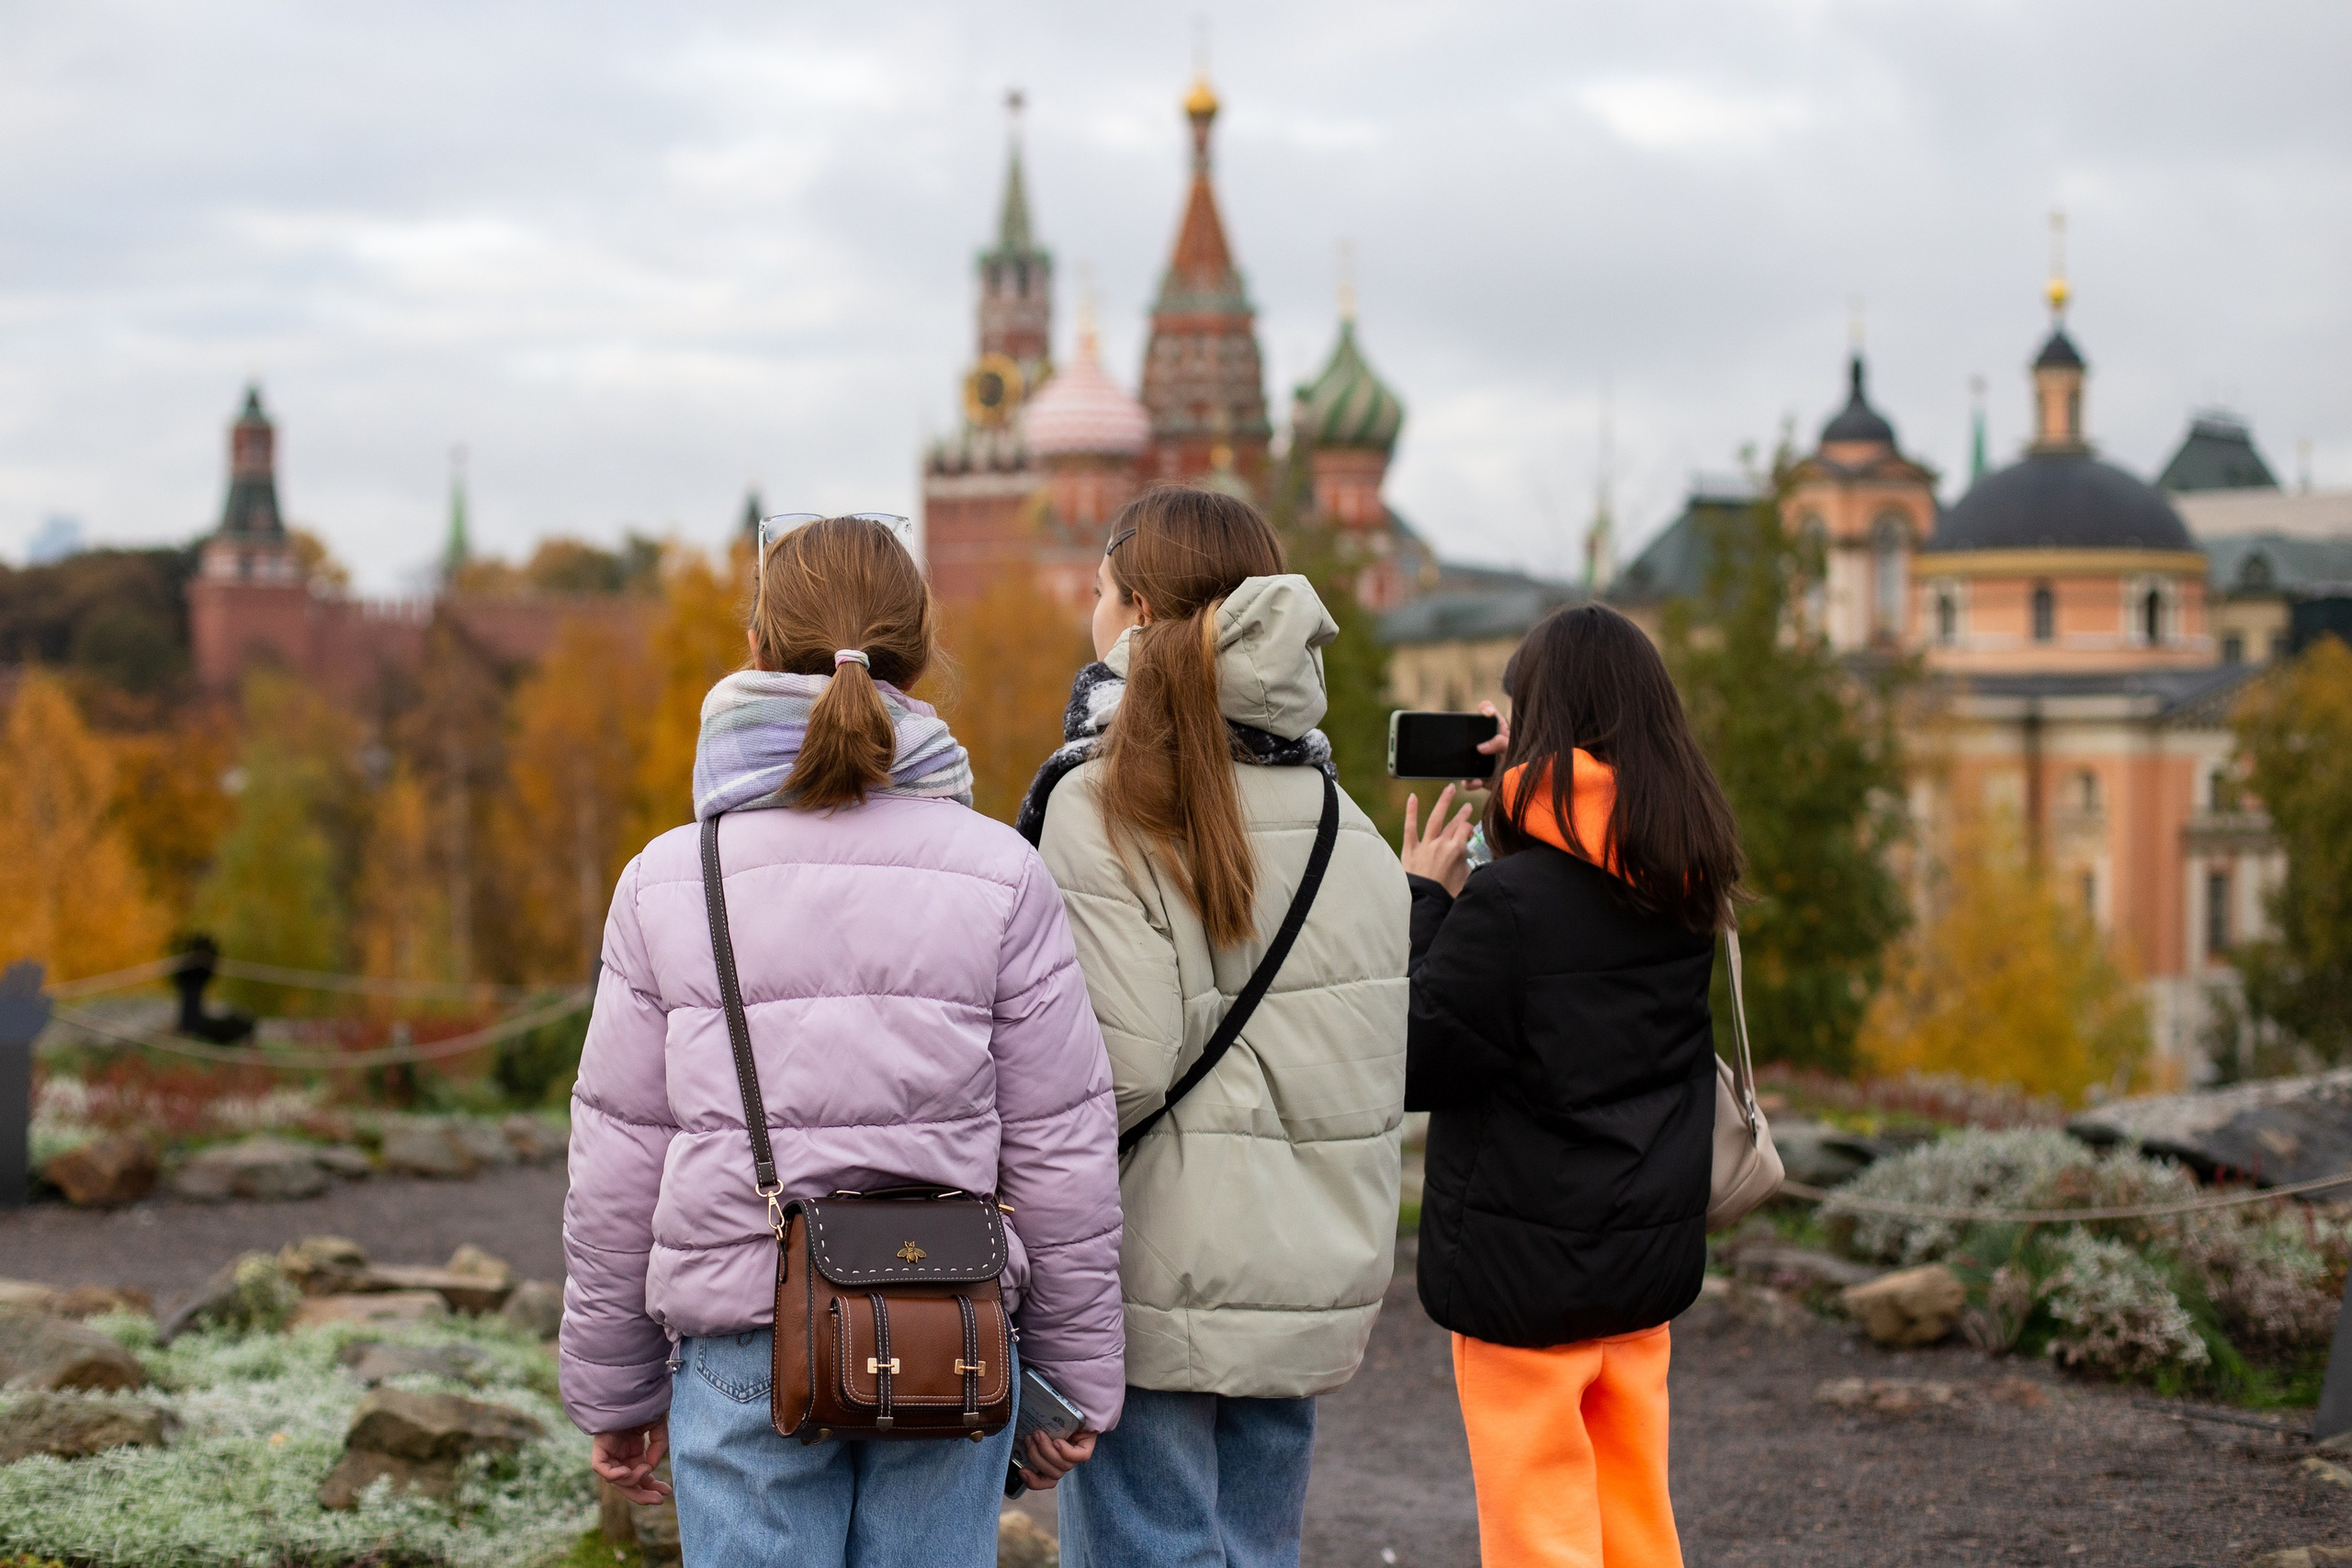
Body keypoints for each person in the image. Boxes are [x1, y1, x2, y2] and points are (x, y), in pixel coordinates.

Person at [558, 514, 1125, 1568]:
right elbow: (1061, 1148)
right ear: (918, 655)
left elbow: (618, 1161)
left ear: (757, 648)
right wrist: (1067, 1378)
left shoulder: (669, 879)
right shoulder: (1001, 873)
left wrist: (616, 1389)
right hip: (950, 1331)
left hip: (741, 1333)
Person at [1018, 486, 1410, 1568]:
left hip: (1159, 1269)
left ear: (1138, 613)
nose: (1091, 611)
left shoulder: (1101, 801)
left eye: (1100, 591)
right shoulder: (1343, 818)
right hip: (1306, 1268)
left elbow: (1117, 1068)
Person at [1396, 603, 1742, 1568]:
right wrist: (1518, 799)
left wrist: (1425, 898)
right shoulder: (1680, 878)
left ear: (1538, 726)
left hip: (1525, 1276)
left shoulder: (1507, 903)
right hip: (1641, 1266)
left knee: (1541, 1537)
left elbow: (1416, 1056)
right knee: (1633, 1523)